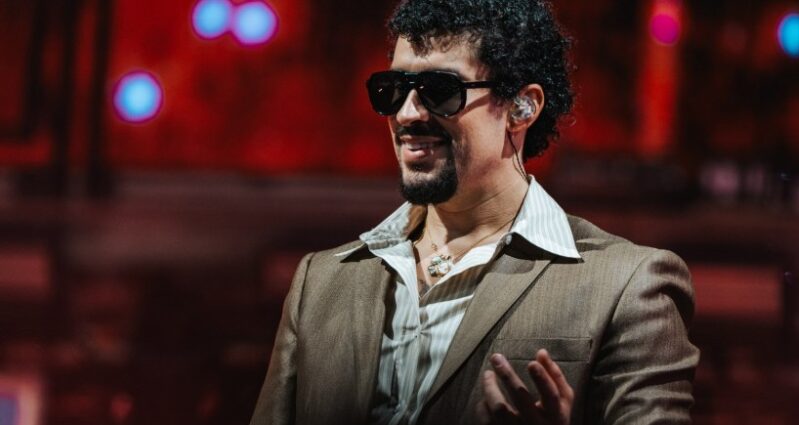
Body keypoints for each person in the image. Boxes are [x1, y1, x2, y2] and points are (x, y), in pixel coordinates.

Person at [250, 0, 698, 424]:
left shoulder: (628, 286)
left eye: (440, 91)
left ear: (522, 107)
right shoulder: (321, 282)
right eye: (393, 90)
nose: (406, 113)